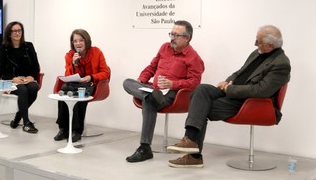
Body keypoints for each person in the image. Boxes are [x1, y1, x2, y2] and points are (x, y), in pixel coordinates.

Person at [167, 25, 291, 168]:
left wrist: (230, 89)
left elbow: (261, 91)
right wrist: (227, 81)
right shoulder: (257, 53)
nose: (255, 44)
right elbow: (239, 72)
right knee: (201, 90)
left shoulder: (281, 63)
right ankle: (190, 140)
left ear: (270, 45)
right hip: (232, 92)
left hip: (249, 103)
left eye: (258, 41)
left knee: (201, 107)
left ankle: (193, 154)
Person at [123, 20, 205, 163]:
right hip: (154, 89)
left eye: (176, 35)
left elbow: (194, 83)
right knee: (127, 82)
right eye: (171, 34)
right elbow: (151, 67)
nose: (172, 38)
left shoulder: (194, 58)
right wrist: (140, 82)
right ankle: (148, 93)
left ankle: (144, 148)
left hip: (173, 95)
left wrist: (173, 84)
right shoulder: (164, 48)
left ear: (187, 38)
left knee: (149, 99)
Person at [54, 29, 110, 142]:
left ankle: (76, 131)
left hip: (91, 84)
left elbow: (106, 72)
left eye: (81, 40)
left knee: (80, 95)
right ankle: (63, 129)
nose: (78, 43)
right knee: (63, 91)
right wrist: (74, 64)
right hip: (74, 84)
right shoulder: (70, 55)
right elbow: (67, 75)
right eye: (75, 41)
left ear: (87, 41)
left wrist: (91, 77)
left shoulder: (96, 52)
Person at [0, 21, 41, 133]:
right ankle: (26, 123)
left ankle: (18, 116)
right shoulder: (3, 48)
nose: (17, 33)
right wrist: (13, 78)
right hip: (9, 81)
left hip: (26, 79)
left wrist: (32, 76)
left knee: (33, 88)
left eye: (19, 30)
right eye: (14, 31)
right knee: (22, 89)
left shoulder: (28, 46)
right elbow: (1, 71)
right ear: (9, 33)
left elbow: (36, 66)